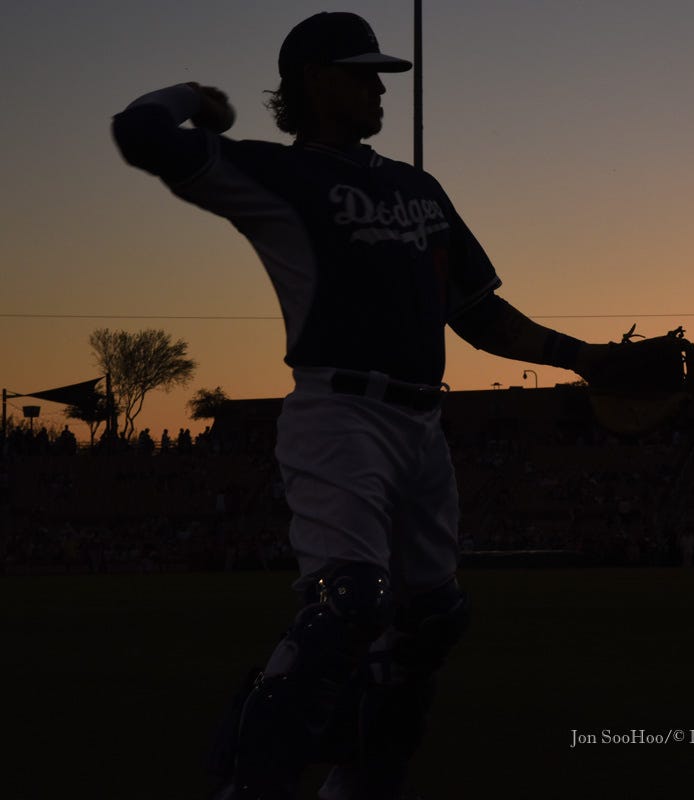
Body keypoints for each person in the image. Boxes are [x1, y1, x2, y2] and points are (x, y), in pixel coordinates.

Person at [112, 11, 611, 800]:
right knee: (349, 603)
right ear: (315, 81)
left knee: (433, 620)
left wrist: (590, 359)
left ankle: (359, 786)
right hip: (339, 413)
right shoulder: (276, 175)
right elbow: (139, 133)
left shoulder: (418, 187)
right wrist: (194, 96)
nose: (379, 85)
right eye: (362, 71)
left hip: (423, 423)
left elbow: (480, 315)